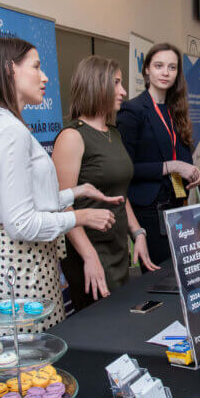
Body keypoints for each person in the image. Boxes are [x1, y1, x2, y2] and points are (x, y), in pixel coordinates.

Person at [0, 38, 120, 339]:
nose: (45, 77)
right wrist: (81, 217)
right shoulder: (11, 132)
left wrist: (76, 193)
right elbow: (22, 223)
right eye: (36, 67)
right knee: (31, 371)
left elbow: (22, 202)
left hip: (15, 264)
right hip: (21, 272)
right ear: (10, 70)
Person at [52, 56, 159, 313]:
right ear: (96, 85)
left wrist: (138, 233)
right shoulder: (72, 137)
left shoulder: (114, 133)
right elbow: (62, 206)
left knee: (123, 319)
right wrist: (89, 256)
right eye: (116, 83)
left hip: (118, 247)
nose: (123, 91)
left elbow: (119, 192)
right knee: (102, 323)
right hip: (88, 250)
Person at [116, 43, 200, 267]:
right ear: (146, 69)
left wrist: (193, 172)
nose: (165, 72)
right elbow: (125, 169)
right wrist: (171, 166)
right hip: (147, 210)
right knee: (159, 276)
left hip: (177, 204)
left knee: (181, 271)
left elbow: (183, 157)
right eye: (159, 65)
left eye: (172, 67)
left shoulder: (177, 110)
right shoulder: (132, 111)